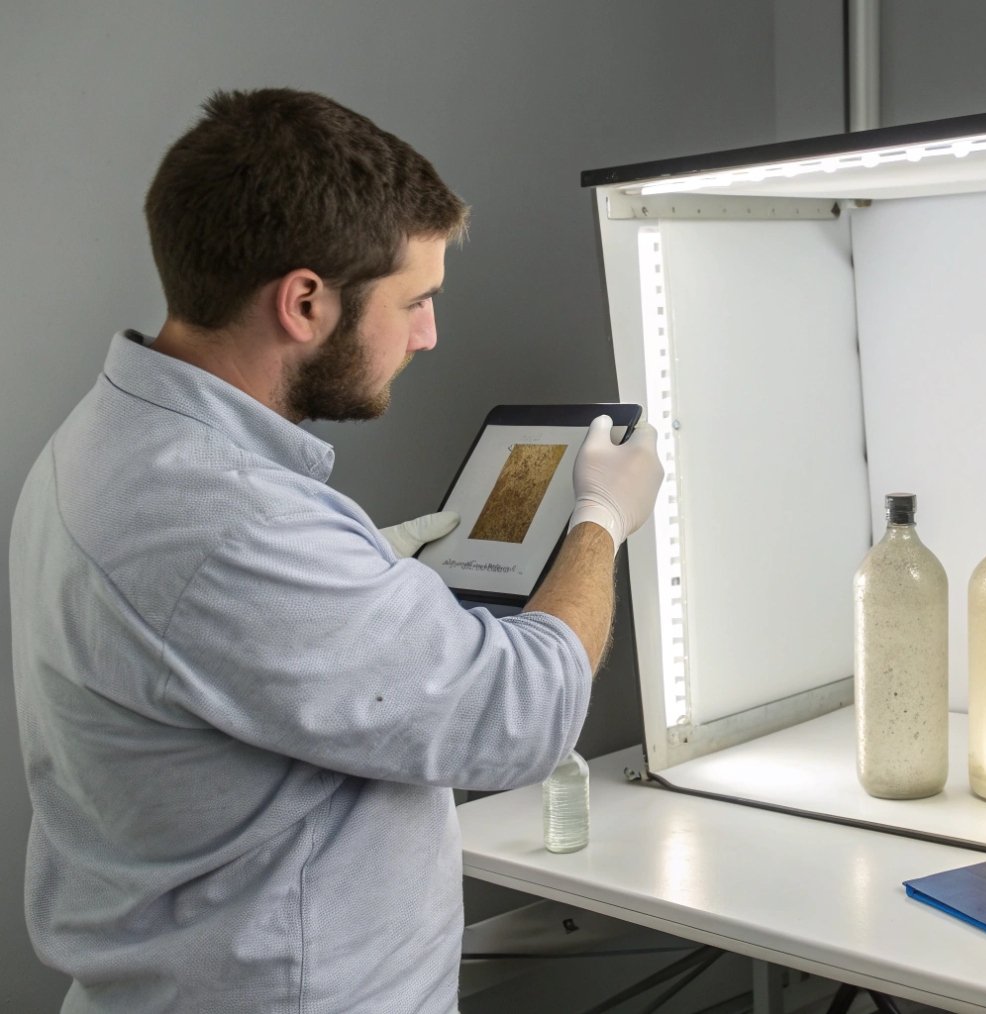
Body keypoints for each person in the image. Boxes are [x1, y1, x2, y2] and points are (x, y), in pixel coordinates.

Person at [9, 88, 663, 1013]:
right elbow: (521, 711)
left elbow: (222, 641)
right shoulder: (232, 521)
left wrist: (368, 570)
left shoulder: (111, 438)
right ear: (305, 302)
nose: (429, 335)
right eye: (415, 301)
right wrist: (601, 519)